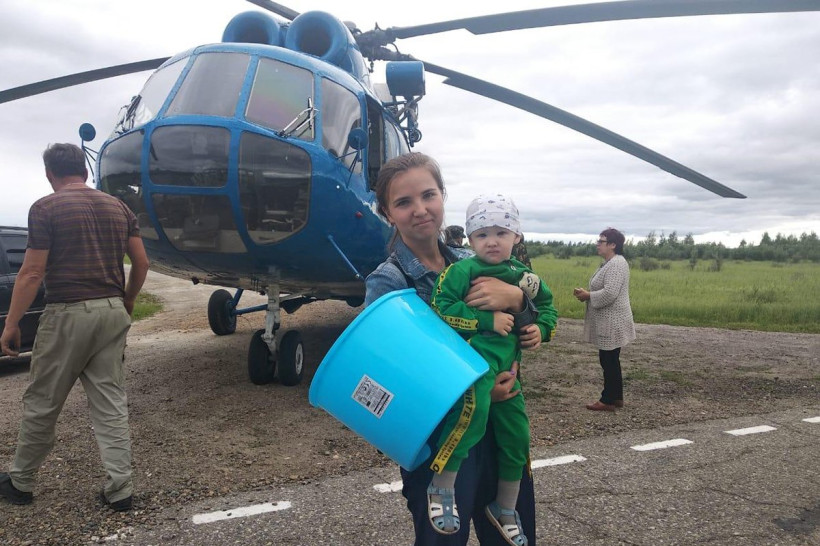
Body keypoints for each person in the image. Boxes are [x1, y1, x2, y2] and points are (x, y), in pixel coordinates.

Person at [365, 152, 542, 545]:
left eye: (428, 195)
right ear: (387, 213)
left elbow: (524, 328)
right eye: (403, 202)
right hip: (439, 440)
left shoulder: (475, 260)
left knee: (514, 535)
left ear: (442, 195)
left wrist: (518, 301)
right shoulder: (389, 282)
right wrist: (476, 392)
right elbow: (392, 374)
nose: (420, 209)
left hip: (501, 428)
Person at [0, 143, 150, 511]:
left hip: (67, 314)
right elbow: (141, 263)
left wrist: (12, 323)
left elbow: (32, 272)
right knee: (110, 402)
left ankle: (21, 482)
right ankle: (120, 490)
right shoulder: (120, 208)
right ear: (84, 170)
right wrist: (128, 300)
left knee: (43, 401)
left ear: (50, 173)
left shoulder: (45, 208)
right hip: (111, 311)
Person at [428, 194, 557, 546]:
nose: (492, 241)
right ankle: (441, 486)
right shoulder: (462, 271)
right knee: (470, 417)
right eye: (482, 234)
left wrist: (540, 329)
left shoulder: (525, 278)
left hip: (510, 376)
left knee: (518, 437)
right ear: (470, 240)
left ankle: (505, 507)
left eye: (501, 232)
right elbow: (441, 307)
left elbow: (547, 307)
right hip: (475, 370)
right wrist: (486, 320)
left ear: (517, 236)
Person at [572, 228, 635, 412]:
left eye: (601, 241)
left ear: (613, 245)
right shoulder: (609, 263)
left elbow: (610, 293)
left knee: (608, 360)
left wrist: (588, 295)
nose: (597, 244)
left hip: (613, 321)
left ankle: (607, 400)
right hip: (609, 320)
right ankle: (616, 397)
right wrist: (587, 294)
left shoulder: (617, 263)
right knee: (610, 359)